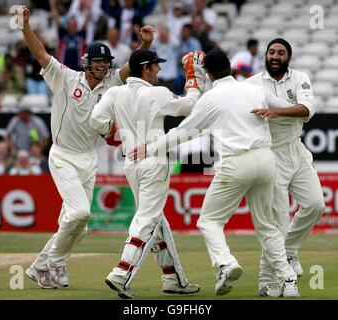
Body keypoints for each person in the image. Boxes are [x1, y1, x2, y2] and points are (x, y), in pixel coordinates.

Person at [129, 48, 301, 298]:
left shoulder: (210, 99)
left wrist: (150, 148)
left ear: (207, 73)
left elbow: (182, 132)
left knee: (208, 221)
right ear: (230, 67)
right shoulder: (254, 89)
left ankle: (226, 263)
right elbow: (288, 110)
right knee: (268, 225)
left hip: (235, 163)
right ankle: (288, 281)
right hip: (266, 161)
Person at [16, 5, 155, 289]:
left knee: (78, 227)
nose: (103, 66)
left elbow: (132, 65)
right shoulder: (65, 78)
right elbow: (40, 53)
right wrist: (24, 26)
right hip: (63, 156)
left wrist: (147, 44)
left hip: (89, 159)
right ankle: (55, 262)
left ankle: (38, 267)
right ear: (87, 62)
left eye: (106, 63)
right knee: (80, 214)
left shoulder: (111, 85)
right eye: (99, 62)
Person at [90, 48, 205, 299]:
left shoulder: (115, 93)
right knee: (147, 220)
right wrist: (194, 77)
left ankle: (172, 278)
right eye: (156, 65)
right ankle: (121, 273)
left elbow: (96, 120)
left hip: (131, 164)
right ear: (146, 68)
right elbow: (190, 105)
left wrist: (115, 134)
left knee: (155, 221)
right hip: (153, 161)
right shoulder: (157, 93)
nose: (159, 70)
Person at [246, 38, 325, 296]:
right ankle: (266, 281)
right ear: (266, 55)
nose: (275, 56)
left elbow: (307, 110)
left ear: (288, 57)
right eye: (271, 52)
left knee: (315, 205)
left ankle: (289, 252)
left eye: (281, 52)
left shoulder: (299, 78)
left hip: (296, 148)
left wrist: (276, 112)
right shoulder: (253, 83)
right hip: (271, 154)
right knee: (277, 223)